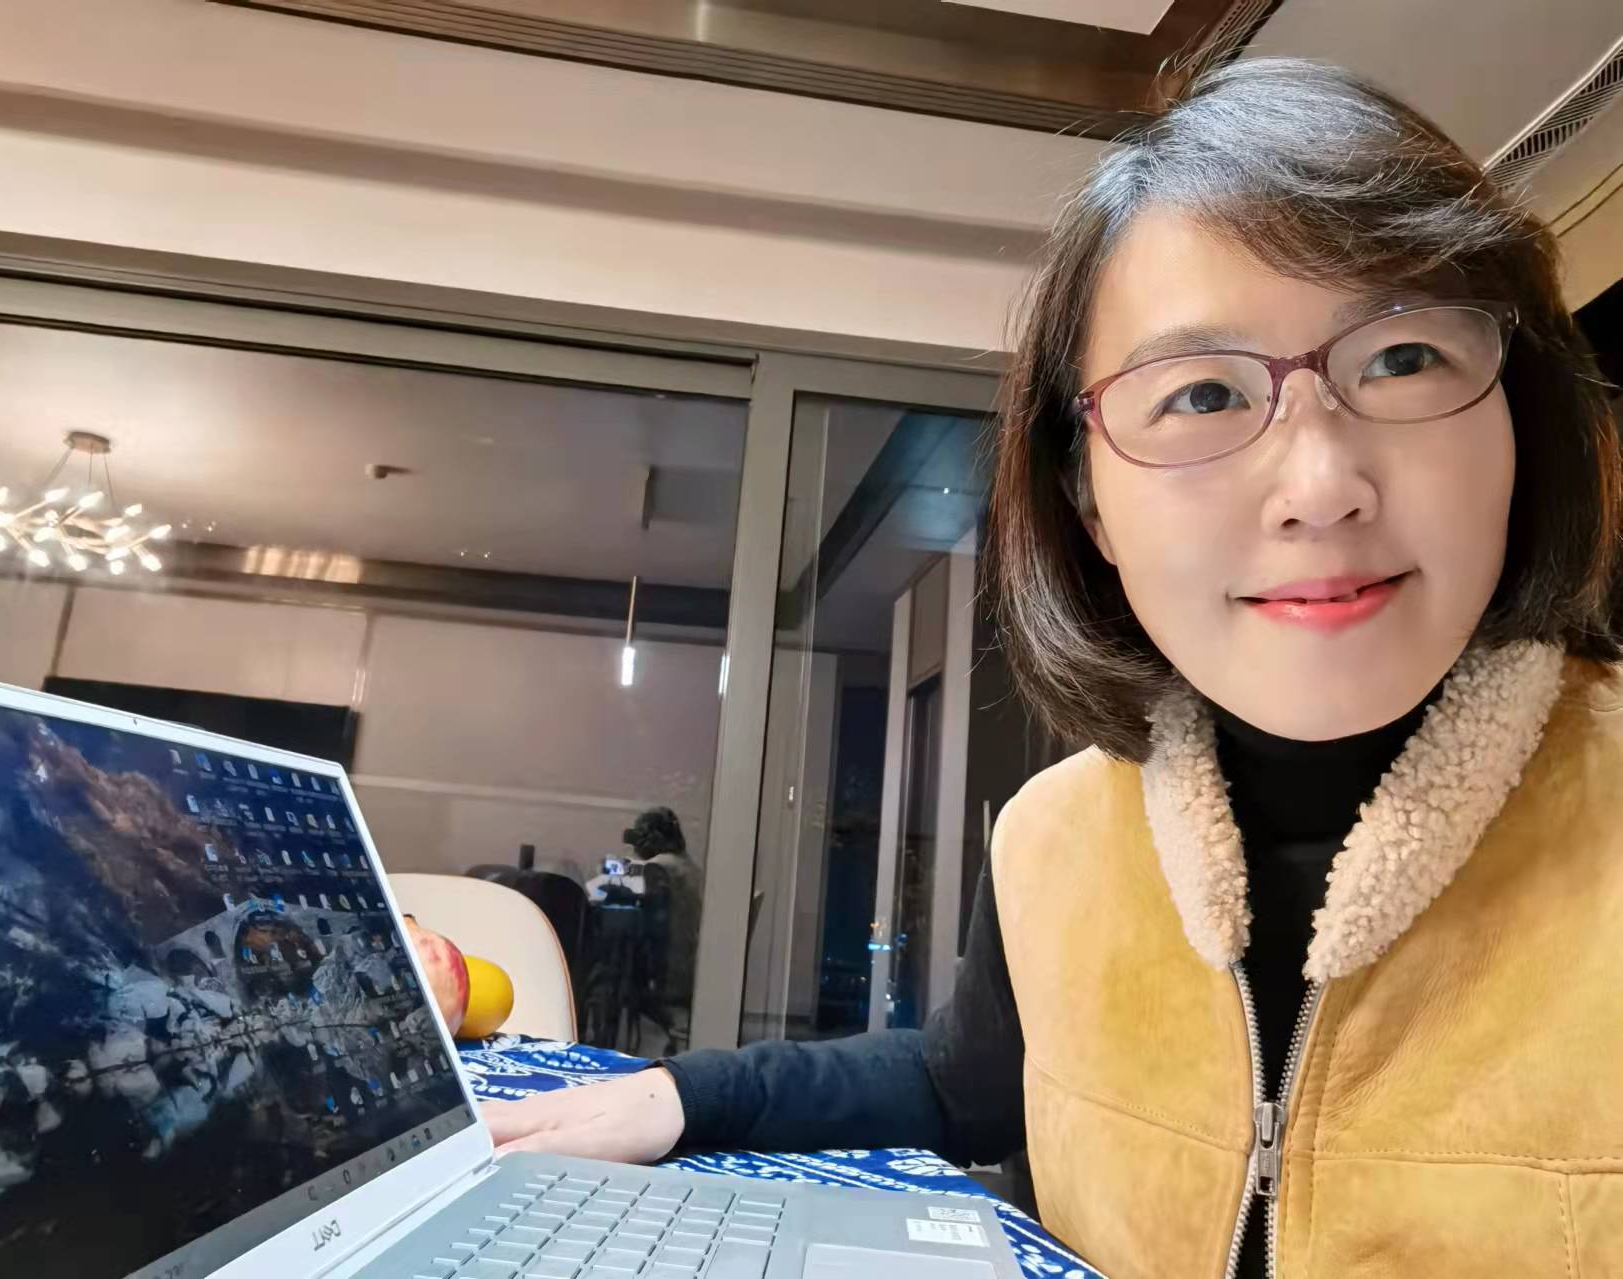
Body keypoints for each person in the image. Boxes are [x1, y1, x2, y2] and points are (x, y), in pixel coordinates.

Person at [478, 59, 1623, 1278]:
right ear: (1087, 504)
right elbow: (962, 1080)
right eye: (1200, 392)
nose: (1319, 486)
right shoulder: (1053, 835)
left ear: (1522, 416)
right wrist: (681, 1097)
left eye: (1401, 359)